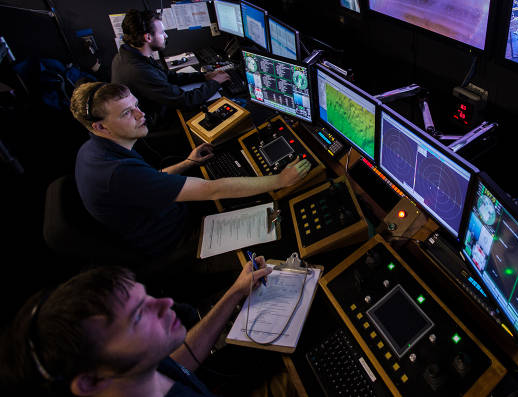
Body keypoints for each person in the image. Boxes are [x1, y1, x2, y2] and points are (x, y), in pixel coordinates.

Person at [68, 80, 312, 268]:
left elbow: (151, 179)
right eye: (126, 113)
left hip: (170, 219)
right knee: (284, 230)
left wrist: (187, 163)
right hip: (180, 244)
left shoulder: (94, 150)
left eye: (135, 105)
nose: (141, 115)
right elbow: (211, 189)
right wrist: (279, 180)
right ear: (100, 126)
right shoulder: (115, 173)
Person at [1, 261, 272, 396]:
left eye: (146, 298)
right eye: (138, 317)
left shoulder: (139, 369)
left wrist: (235, 292)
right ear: (91, 382)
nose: (166, 304)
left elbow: (180, 362)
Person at [111, 9, 230, 130]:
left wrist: (203, 76)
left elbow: (166, 76)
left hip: (157, 108)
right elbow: (185, 101)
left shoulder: (129, 53)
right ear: (148, 37)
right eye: (162, 32)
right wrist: (215, 83)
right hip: (153, 125)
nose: (166, 35)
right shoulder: (138, 71)